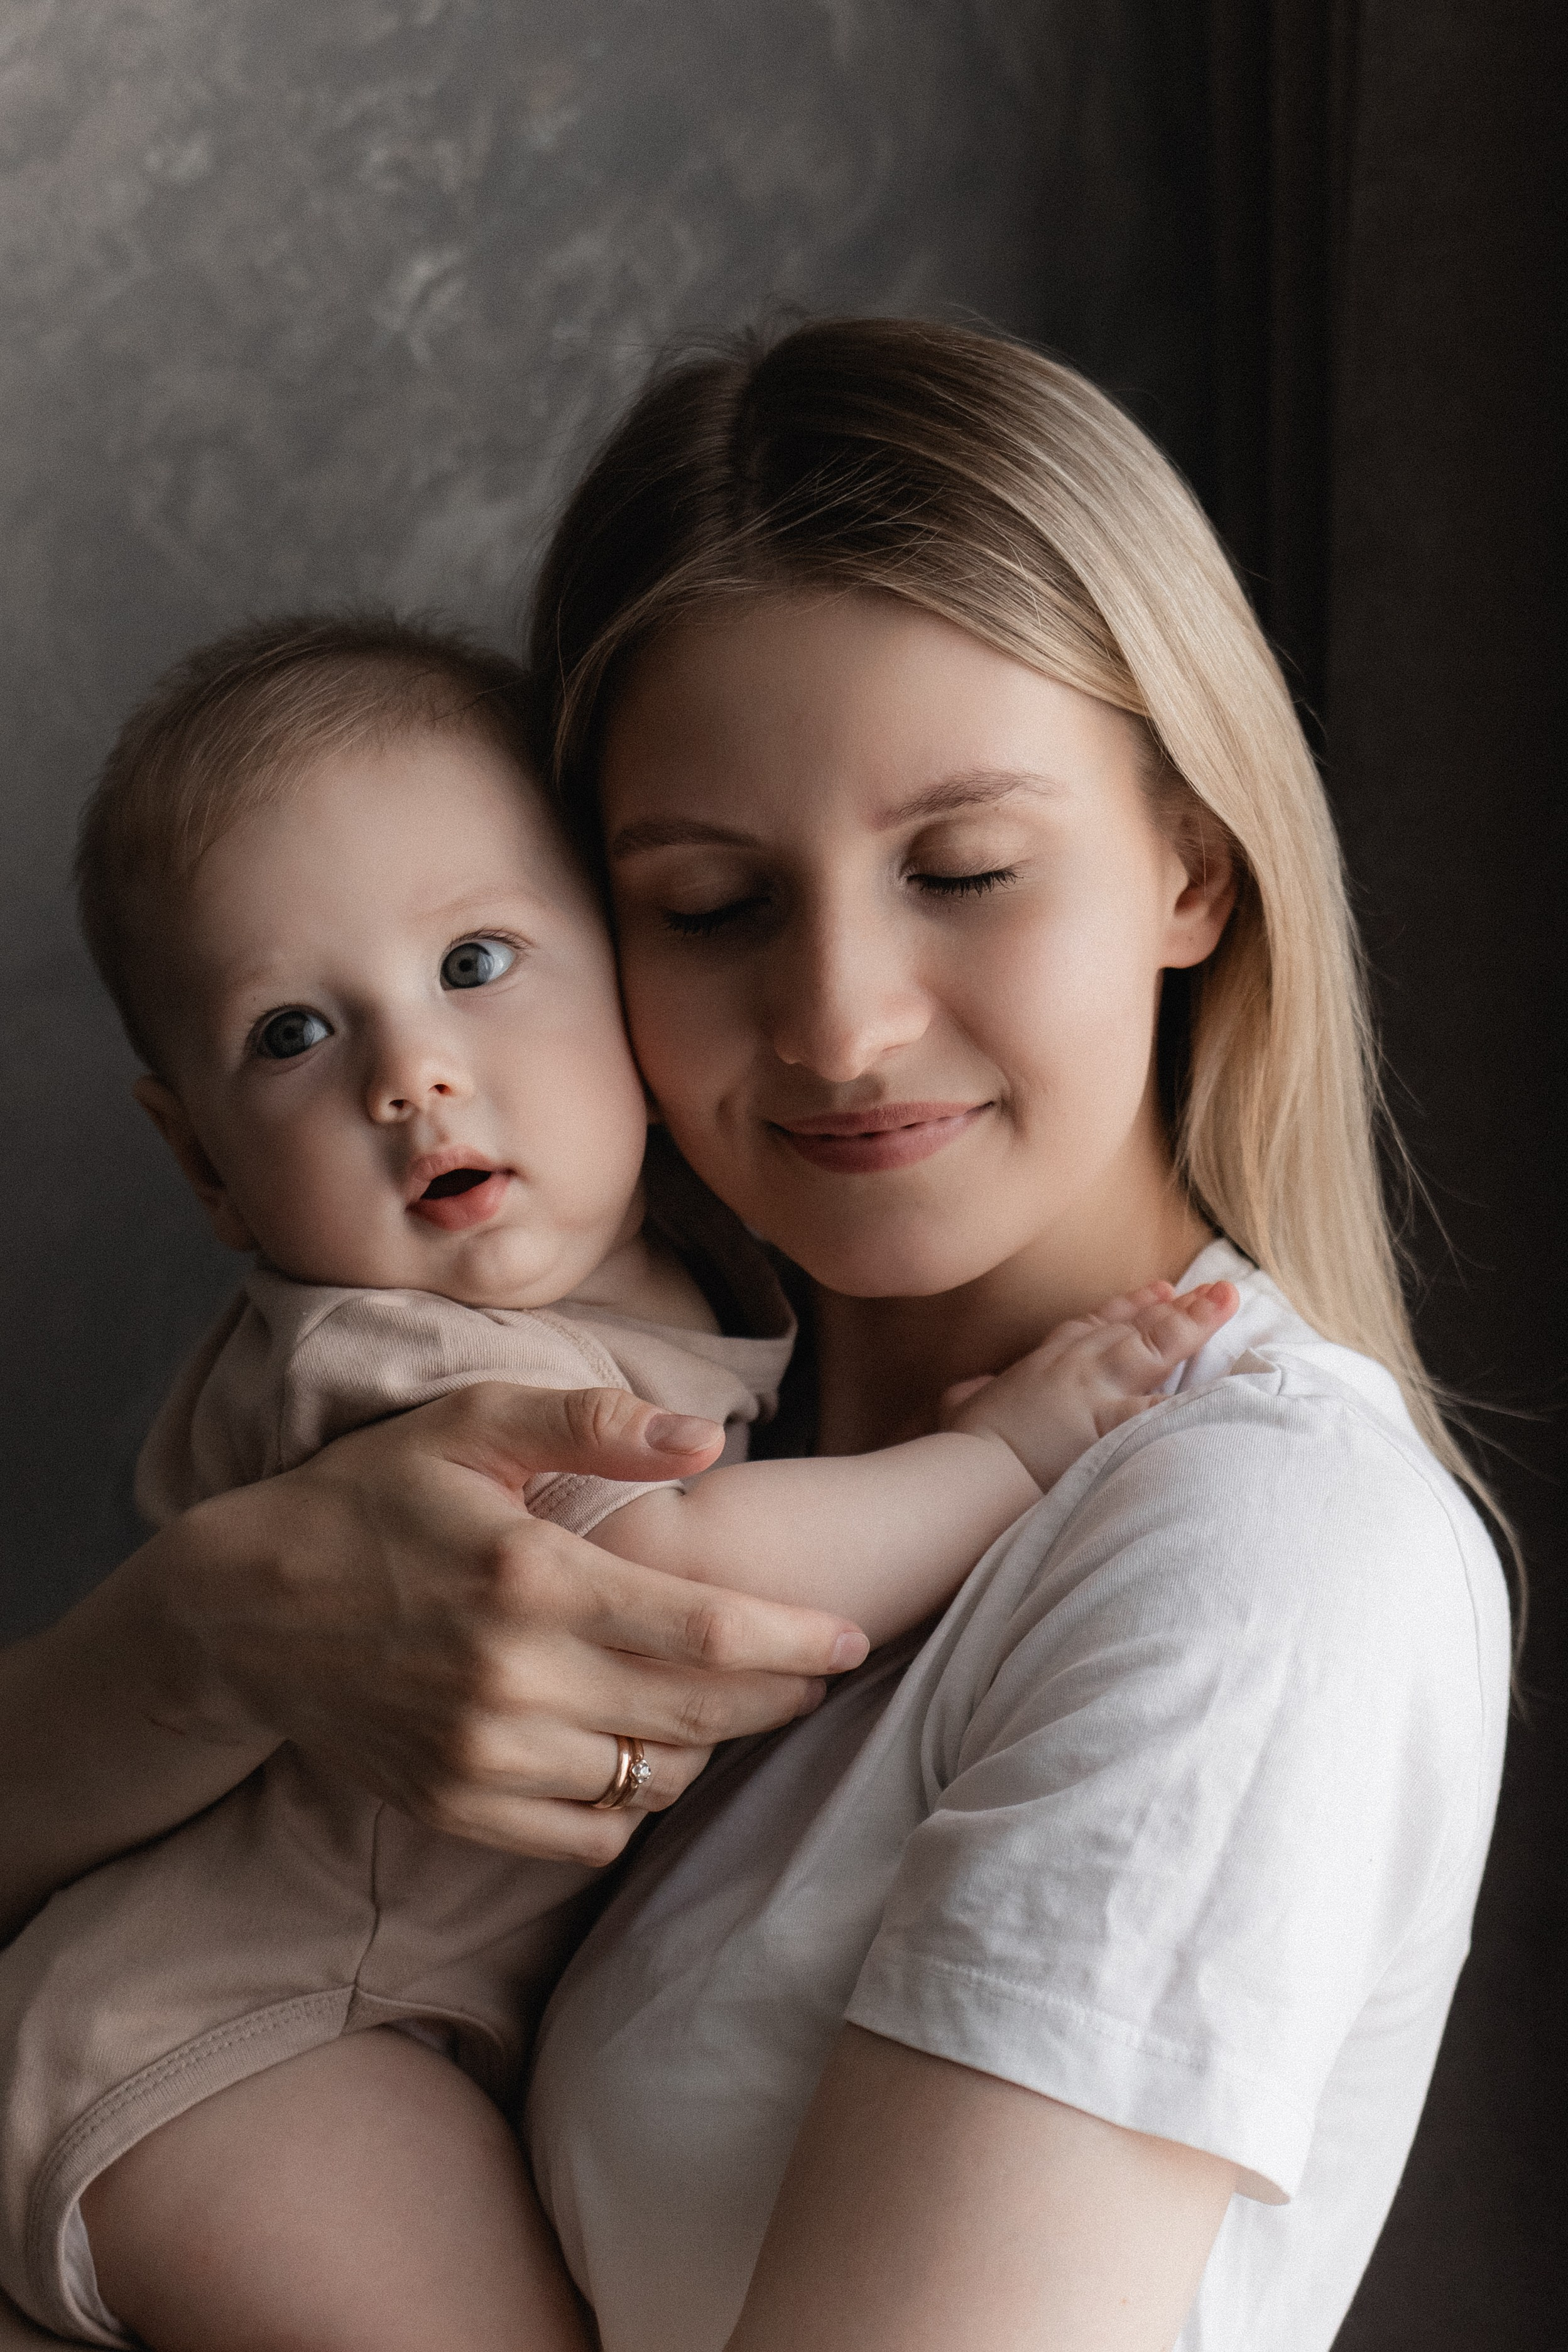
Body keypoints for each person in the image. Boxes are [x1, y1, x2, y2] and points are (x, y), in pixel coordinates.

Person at [0, 315, 1511, 2352]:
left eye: (964, 868)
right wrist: (203, 1628)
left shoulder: (1253, 1551)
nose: (839, 1025)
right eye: (711, 905)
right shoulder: (670, 1399)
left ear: (1193, 863)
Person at [0, 610, 1236, 2352]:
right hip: (239, 2049)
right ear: (204, 1165)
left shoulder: (675, 1273)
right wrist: (1008, 1451)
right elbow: (678, 1571)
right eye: (290, 1034)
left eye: (478, 964)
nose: (408, 1073)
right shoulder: (392, 1360)